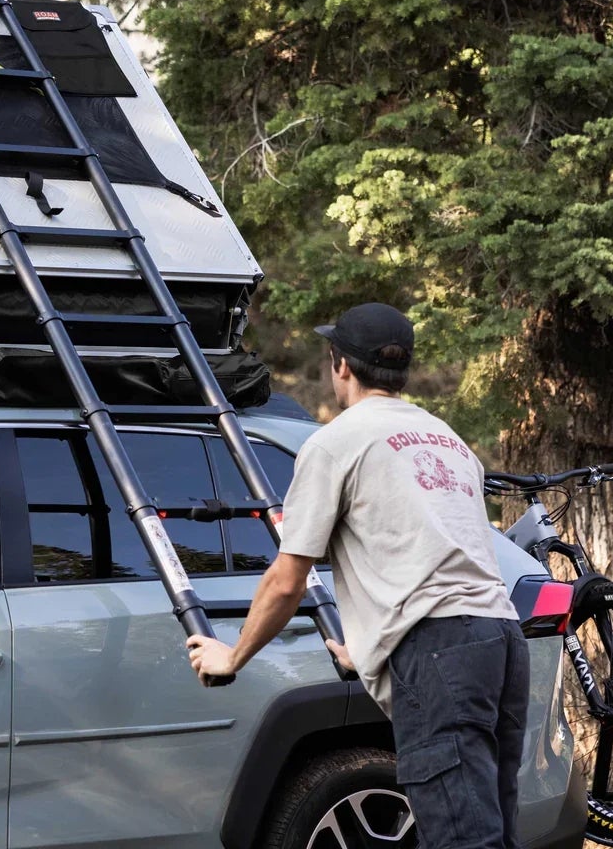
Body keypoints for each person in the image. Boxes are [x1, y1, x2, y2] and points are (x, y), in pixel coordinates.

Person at [186, 302, 528, 849]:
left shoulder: (335, 443)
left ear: (339, 364)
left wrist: (232, 655)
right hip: (501, 641)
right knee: (491, 829)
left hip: (440, 652)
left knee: (462, 839)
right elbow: (433, 554)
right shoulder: (447, 440)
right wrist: (369, 648)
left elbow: (287, 578)